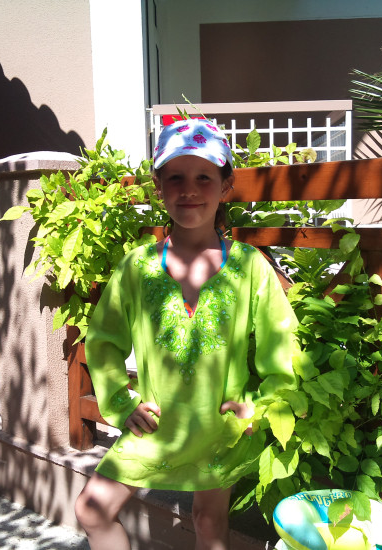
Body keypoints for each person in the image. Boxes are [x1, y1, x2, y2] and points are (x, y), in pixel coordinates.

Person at [74, 118, 299, 550]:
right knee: (92, 510)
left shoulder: (249, 266)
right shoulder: (138, 267)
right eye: (175, 177)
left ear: (225, 185)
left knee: (208, 521)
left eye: (204, 177)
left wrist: (262, 406)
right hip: (156, 429)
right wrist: (121, 403)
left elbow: (281, 344)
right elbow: (103, 340)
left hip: (221, 431)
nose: (189, 190)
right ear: (158, 186)